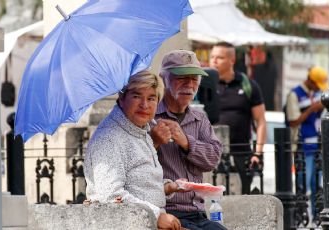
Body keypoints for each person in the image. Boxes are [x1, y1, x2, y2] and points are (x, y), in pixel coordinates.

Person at [84, 70, 183, 230]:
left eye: (151, 98)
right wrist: (156, 215)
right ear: (121, 99)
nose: (144, 105)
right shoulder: (109, 138)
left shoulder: (140, 129)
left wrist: (167, 187)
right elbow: (111, 196)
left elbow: (137, 183)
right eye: (136, 96)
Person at [150, 50, 226, 230]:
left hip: (198, 211)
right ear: (163, 78)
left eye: (194, 79)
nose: (189, 85)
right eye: (181, 78)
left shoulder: (200, 119)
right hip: (165, 211)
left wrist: (186, 142)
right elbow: (137, 161)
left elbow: (213, 159)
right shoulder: (151, 115)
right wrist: (155, 141)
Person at [209, 42, 266, 195]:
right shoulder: (205, 85)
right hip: (211, 153)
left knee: (242, 196)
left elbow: (260, 121)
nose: (214, 61)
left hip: (241, 153)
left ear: (232, 60)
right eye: (212, 57)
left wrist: (258, 153)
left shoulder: (248, 85)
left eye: (219, 57)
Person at [285, 66, 329, 218]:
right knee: (303, 183)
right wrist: (311, 109)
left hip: (318, 146)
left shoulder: (318, 94)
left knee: (318, 184)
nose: (318, 87)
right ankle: (300, 216)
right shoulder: (295, 94)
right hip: (303, 146)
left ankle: (318, 216)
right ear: (310, 80)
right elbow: (293, 121)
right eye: (317, 84)